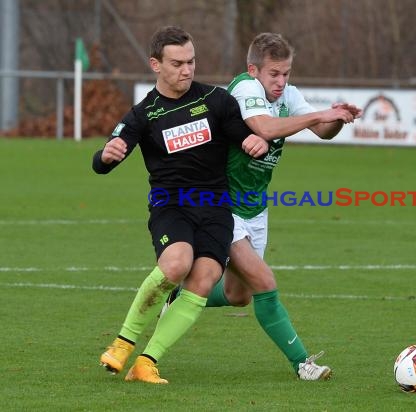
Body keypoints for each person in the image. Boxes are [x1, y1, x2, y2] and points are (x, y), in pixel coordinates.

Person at [166, 32, 361, 380]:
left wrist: (337, 118)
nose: (281, 82)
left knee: (238, 294)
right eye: (274, 74)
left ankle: (179, 297)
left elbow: (323, 132)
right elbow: (264, 128)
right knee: (264, 281)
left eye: (286, 73)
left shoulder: (289, 94)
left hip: (255, 206)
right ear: (254, 69)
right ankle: (303, 364)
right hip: (220, 204)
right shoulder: (244, 88)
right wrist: (319, 115)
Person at [95, 25, 269, 384]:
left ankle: (147, 362)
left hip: (216, 207)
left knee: (205, 278)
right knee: (176, 264)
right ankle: (123, 344)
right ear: (155, 64)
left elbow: (243, 136)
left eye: (191, 61)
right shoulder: (143, 114)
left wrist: (255, 143)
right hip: (170, 205)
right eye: (177, 63)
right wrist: (106, 155)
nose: (187, 70)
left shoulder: (217, 101)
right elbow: (102, 161)